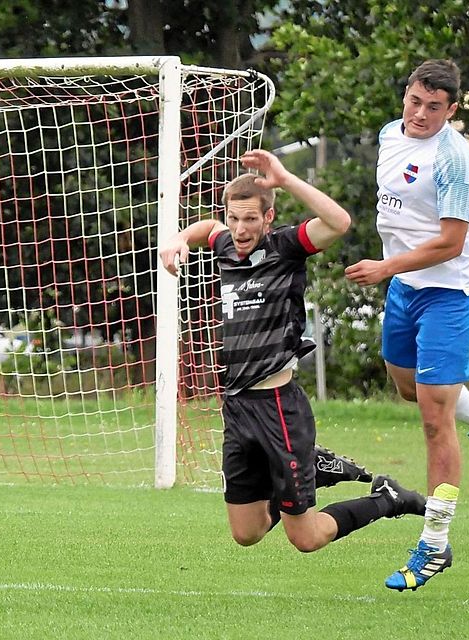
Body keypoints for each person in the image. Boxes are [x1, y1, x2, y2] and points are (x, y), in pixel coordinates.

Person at [159, 149, 425, 556]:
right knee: (246, 532)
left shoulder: (285, 247)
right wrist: (179, 238)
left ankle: (386, 498)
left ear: (268, 217)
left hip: (278, 409)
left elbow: (339, 222)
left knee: (306, 538)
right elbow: (208, 228)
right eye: (234, 218)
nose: (240, 229)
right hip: (236, 406)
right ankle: (313, 469)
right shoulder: (226, 244)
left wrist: (285, 180)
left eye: (251, 219)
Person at [345, 59, 469, 591]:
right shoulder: (388, 135)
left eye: (434, 107)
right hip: (406, 287)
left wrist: (385, 267)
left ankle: (434, 544)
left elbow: (451, 243)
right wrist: (394, 272)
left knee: (434, 418)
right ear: (406, 95)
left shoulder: (456, 159)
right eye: (415, 101)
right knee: (407, 388)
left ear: (451, 109)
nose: (420, 114)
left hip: (449, 293)